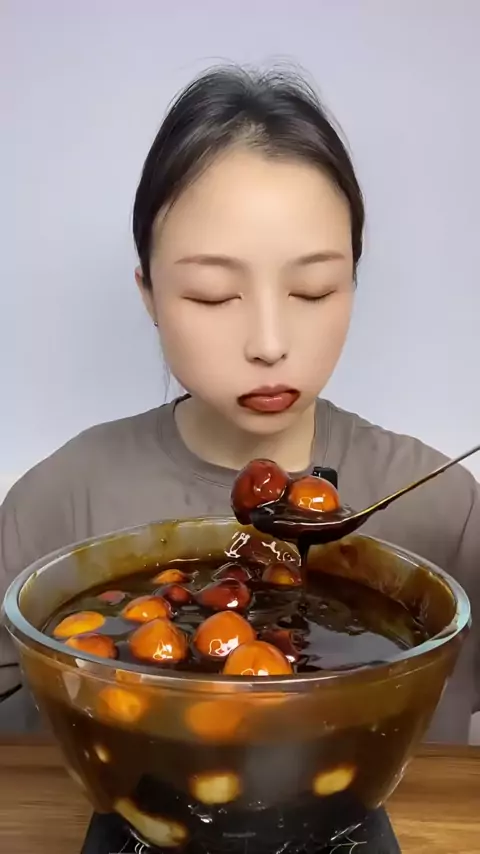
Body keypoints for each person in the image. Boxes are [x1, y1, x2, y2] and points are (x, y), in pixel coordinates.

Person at [0, 66, 478, 739]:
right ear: (149, 294)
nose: (269, 344)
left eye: (313, 290)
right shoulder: (54, 507)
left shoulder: (450, 512)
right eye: (213, 296)